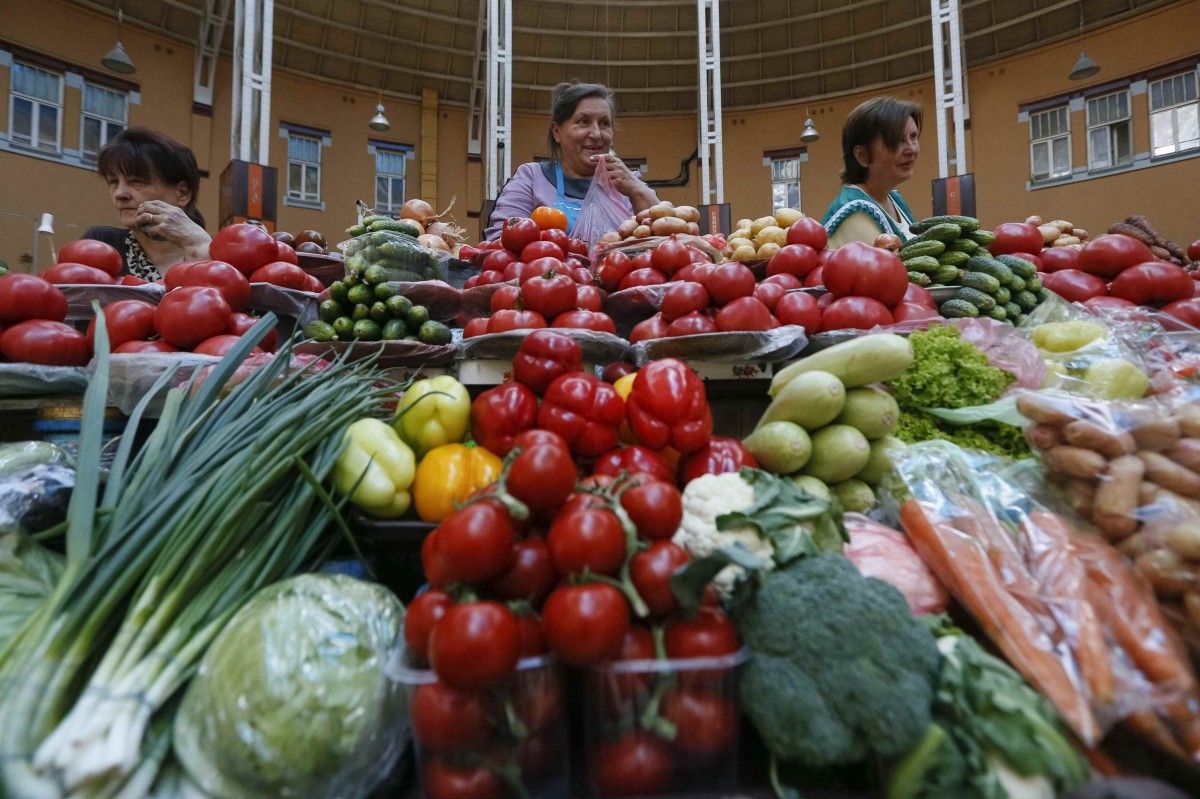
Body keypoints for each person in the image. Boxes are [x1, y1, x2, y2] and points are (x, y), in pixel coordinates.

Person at [484, 82, 659, 240]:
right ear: (557, 131)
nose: (597, 134)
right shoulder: (531, 178)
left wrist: (637, 190)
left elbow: (664, 239)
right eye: (583, 122)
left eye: (604, 123)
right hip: (546, 275)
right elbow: (501, 241)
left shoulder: (629, 183)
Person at [84, 127, 211, 280]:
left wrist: (200, 246)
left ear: (183, 193)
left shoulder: (222, 253)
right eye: (113, 182)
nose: (119, 193)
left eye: (137, 181)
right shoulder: (100, 244)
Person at [822, 97, 923, 249]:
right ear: (862, 156)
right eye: (897, 141)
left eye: (913, 137)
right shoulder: (855, 215)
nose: (911, 149)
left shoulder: (893, 198)